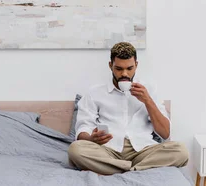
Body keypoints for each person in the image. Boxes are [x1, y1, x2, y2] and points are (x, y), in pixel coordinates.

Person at [68, 42, 189, 175]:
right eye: (119, 69)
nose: (124, 74)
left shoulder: (149, 90)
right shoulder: (95, 92)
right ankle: (136, 169)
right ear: (110, 66)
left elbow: (165, 133)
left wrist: (148, 101)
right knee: (75, 150)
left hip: (143, 150)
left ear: (136, 65)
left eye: (129, 68)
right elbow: (83, 129)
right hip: (107, 151)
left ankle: (119, 169)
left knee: (181, 151)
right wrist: (91, 139)